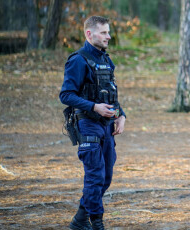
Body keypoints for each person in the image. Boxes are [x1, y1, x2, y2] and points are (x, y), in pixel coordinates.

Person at [59, 16, 126, 230]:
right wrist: (93, 107)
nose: (109, 36)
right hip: (88, 124)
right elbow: (66, 95)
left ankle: (80, 219)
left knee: (105, 178)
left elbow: (110, 94)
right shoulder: (78, 60)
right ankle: (97, 223)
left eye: (108, 32)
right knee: (95, 176)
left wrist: (121, 115)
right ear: (89, 34)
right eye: (104, 32)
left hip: (107, 127)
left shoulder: (106, 60)